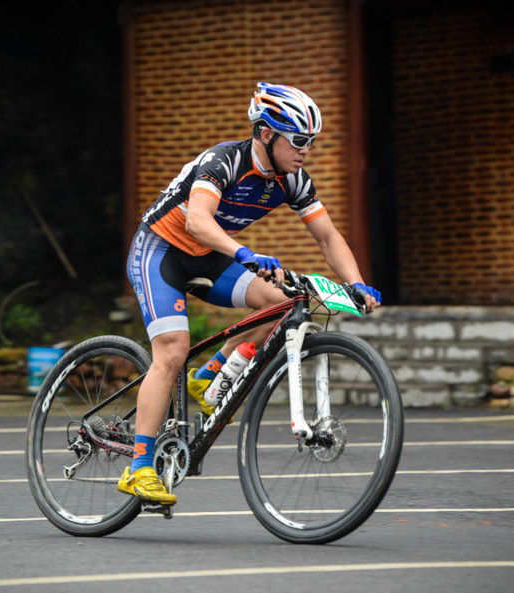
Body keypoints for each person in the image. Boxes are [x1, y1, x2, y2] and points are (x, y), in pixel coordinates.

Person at [117, 83, 382, 505]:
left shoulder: (292, 180)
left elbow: (328, 236)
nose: (305, 151)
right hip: (160, 251)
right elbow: (198, 221)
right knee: (172, 350)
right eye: (298, 141)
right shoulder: (225, 161)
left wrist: (356, 282)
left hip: (209, 256)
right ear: (266, 134)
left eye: (311, 142)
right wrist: (245, 253)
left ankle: (208, 377)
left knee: (281, 302)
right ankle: (138, 468)